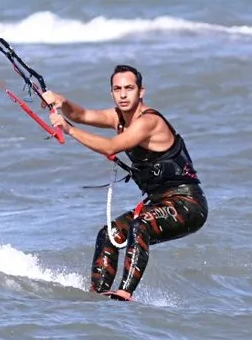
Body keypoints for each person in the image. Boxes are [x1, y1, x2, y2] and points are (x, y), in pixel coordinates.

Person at [43, 64, 208, 301]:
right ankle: (98, 296)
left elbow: (111, 146)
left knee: (140, 225)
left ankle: (124, 294)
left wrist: (69, 130)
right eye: (117, 89)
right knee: (108, 234)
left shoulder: (148, 121)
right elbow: (82, 115)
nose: (122, 94)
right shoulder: (117, 117)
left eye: (129, 88)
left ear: (141, 92)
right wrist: (61, 102)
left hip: (187, 204)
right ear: (111, 93)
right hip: (158, 204)